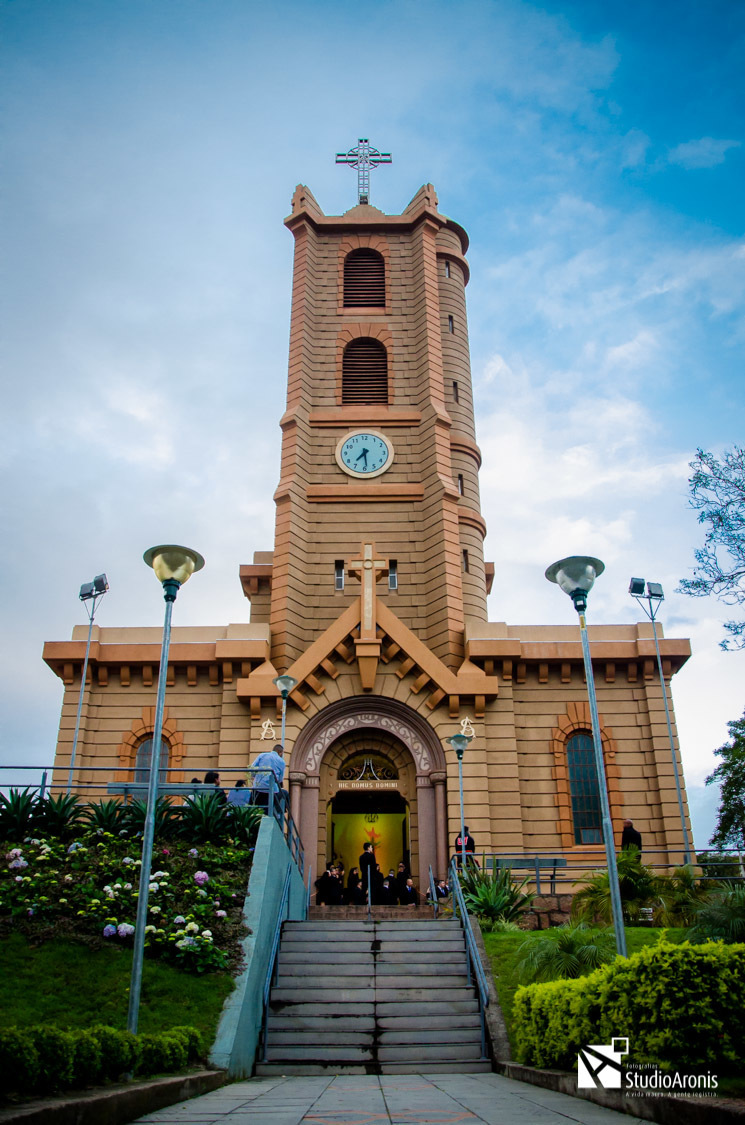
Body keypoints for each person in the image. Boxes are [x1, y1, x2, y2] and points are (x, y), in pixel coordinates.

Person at [249, 743, 285, 810]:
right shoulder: (282, 762)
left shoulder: (262, 755)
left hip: (258, 787)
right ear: (280, 752)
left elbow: (252, 768)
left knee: (253, 809)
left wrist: (254, 776)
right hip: (272, 790)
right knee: (269, 811)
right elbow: (280, 779)